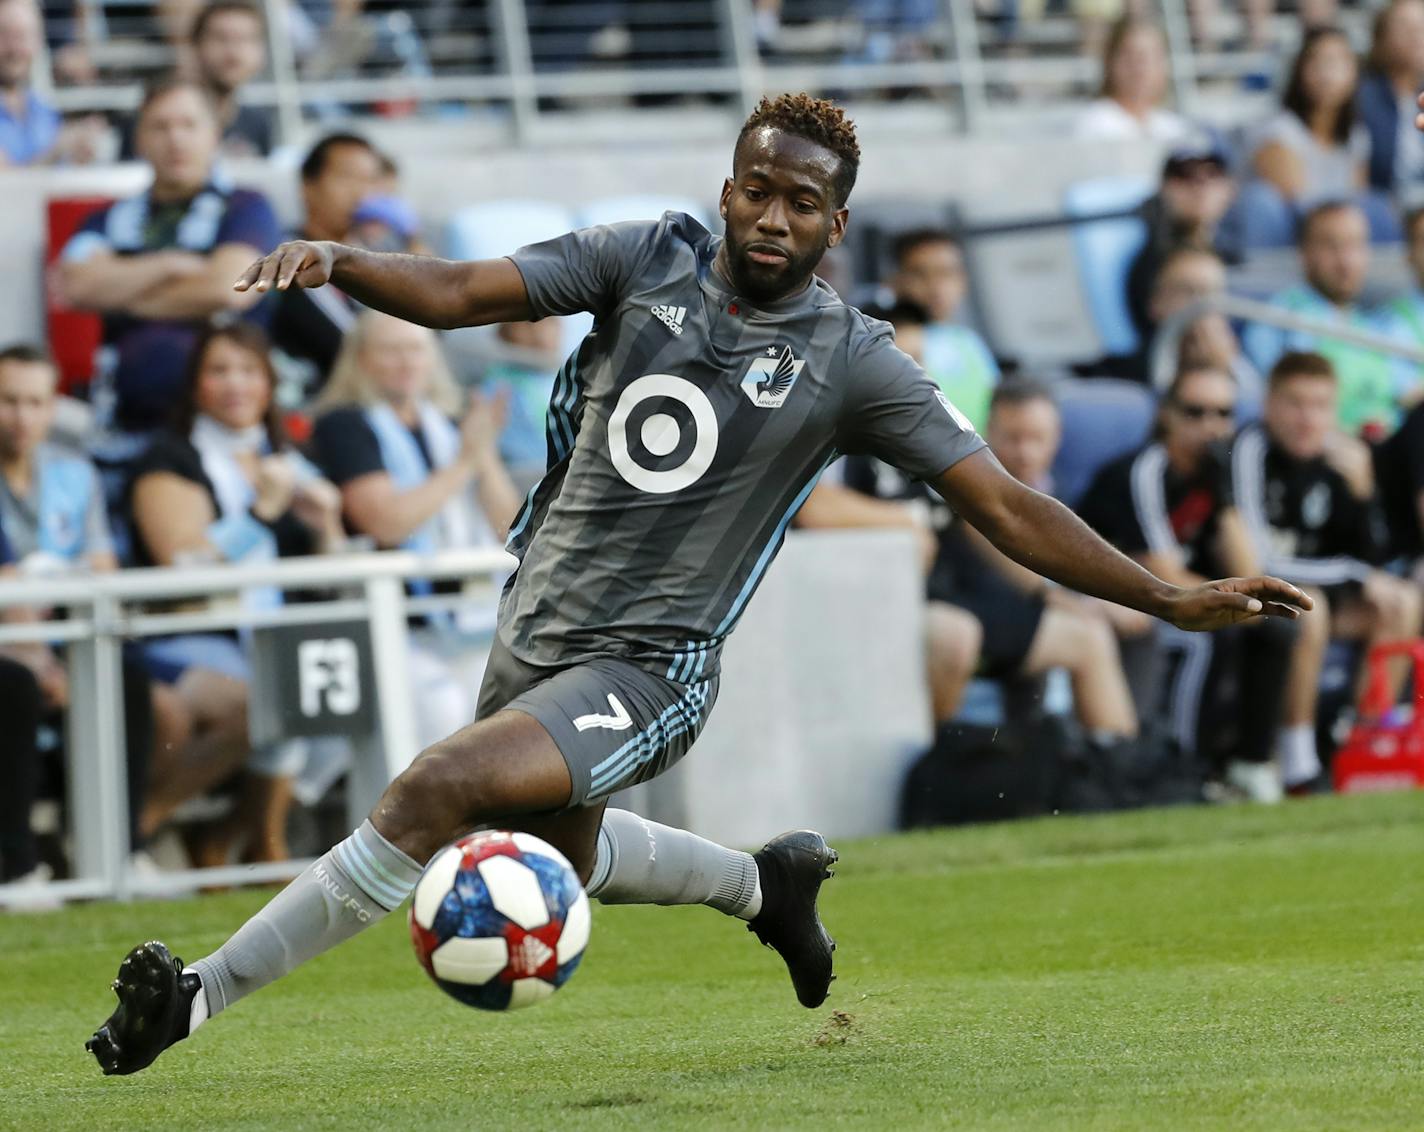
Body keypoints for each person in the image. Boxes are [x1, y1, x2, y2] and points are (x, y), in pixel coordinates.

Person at [87, 92, 1308, 1077]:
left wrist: (1160, 596)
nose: (774, 216)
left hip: (653, 667)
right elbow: (461, 294)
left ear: (838, 225)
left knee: (440, 789)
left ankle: (196, 999)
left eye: (804, 203)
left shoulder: (855, 361)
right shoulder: (641, 258)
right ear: (728, 189)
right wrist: (340, 259)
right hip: (538, 623)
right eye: (758, 190)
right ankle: (762, 885)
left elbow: (1002, 502)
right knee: (552, 853)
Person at [127, 324, 347, 864]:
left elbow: (331, 578)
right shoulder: (168, 457)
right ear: (195, 384)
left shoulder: (286, 456)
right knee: (277, 699)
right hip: (191, 632)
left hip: (278, 633)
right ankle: (139, 830)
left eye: (249, 371)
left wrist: (327, 527)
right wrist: (258, 515)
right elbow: (183, 563)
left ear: (270, 384)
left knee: (337, 693)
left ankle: (232, 838)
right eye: (219, 371)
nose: (236, 385)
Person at [1079, 365, 1326, 802]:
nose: (1210, 426)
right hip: (1107, 592)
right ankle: (1187, 765)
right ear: (1166, 415)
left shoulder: (1215, 475)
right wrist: (1224, 602)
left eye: (1222, 413)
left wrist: (1227, 502)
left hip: (1161, 593)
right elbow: (1160, 572)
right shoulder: (1145, 470)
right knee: (1206, 636)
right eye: (1195, 412)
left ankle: (1249, 763)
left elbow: (1248, 569)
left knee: (1276, 624)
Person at [310, 310, 521, 748]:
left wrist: (480, 456)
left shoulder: (447, 423)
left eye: (415, 350)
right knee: (441, 727)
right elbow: (386, 523)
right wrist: (464, 461)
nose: (406, 362)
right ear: (361, 359)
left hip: (471, 616)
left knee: (505, 725)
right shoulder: (344, 424)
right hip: (397, 623)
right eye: (391, 350)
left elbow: (510, 527)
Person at [0, 345, 159, 887]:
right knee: (14, 687)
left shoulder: (74, 475)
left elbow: (100, 570)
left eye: (33, 402)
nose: (21, 416)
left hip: (59, 643)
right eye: (7, 401)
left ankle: (123, 852)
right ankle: (17, 869)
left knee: (126, 681)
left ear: (51, 407)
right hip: (12, 654)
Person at [54, 76, 282, 438]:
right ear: (139, 138)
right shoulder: (105, 217)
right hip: (127, 419)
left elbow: (229, 288)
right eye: (160, 126)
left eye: (189, 125)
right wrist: (171, 265)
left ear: (215, 134)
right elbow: (75, 286)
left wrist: (124, 294)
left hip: (228, 423)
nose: (175, 138)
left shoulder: (248, 207)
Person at [1231, 351, 1420, 785]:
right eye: (1295, 404)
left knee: (1401, 601)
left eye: (1320, 406)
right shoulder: (1249, 450)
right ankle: (1299, 765)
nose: (1308, 418)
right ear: (1269, 405)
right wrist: (1357, 575)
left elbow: (1375, 559)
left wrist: (1364, 493)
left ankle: (1366, 743)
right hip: (1254, 591)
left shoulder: (1340, 458)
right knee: (1307, 606)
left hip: (1323, 586)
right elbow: (1259, 560)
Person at [1241, 201, 1410, 435]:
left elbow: (1408, 391)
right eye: (1331, 246)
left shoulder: (1381, 324)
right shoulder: (1280, 318)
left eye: (1355, 245)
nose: (1345, 261)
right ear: (1305, 252)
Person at [267, 133, 384, 394]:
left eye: (370, 180)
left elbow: (433, 330)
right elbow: (351, 348)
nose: (361, 193)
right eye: (346, 178)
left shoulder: (378, 254)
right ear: (308, 186)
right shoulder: (289, 257)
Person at [1243, 27, 1372, 246]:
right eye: (1318, 62)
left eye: (1338, 62)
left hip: (1338, 243)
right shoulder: (1278, 131)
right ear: (1300, 70)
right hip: (1292, 243)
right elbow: (1299, 209)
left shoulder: (1357, 137)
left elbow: (1358, 200)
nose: (1327, 72)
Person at [1124, 140, 1240, 343]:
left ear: (1230, 188)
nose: (1199, 185)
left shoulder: (1228, 247)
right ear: (1163, 188)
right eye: (1184, 175)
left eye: (1212, 174)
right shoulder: (1162, 259)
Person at [887, 231, 999, 431]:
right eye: (920, 274)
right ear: (896, 282)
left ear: (962, 280)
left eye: (946, 273)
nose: (935, 286)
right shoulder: (895, 341)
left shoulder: (968, 341)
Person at [1073, 16, 1191, 144]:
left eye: (1151, 57)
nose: (1141, 68)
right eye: (1130, 56)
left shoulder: (1173, 127)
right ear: (1109, 61)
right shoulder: (1094, 125)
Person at [1356, 0, 1424, 199]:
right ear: (1381, 38)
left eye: (1421, 27)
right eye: (1404, 26)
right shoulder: (1360, 95)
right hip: (1382, 202)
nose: (1416, 35)